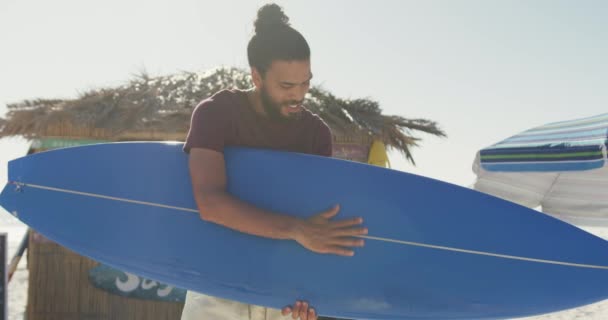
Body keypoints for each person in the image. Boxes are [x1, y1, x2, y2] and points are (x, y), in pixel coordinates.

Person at [181, 3, 367, 320]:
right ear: (256, 76)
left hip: (282, 294)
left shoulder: (315, 133)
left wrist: (309, 295)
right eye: (286, 86)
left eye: (305, 82)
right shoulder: (217, 113)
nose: (299, 95)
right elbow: (209, 202)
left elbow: (316, 221)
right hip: (218, 286)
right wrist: (297, 230)